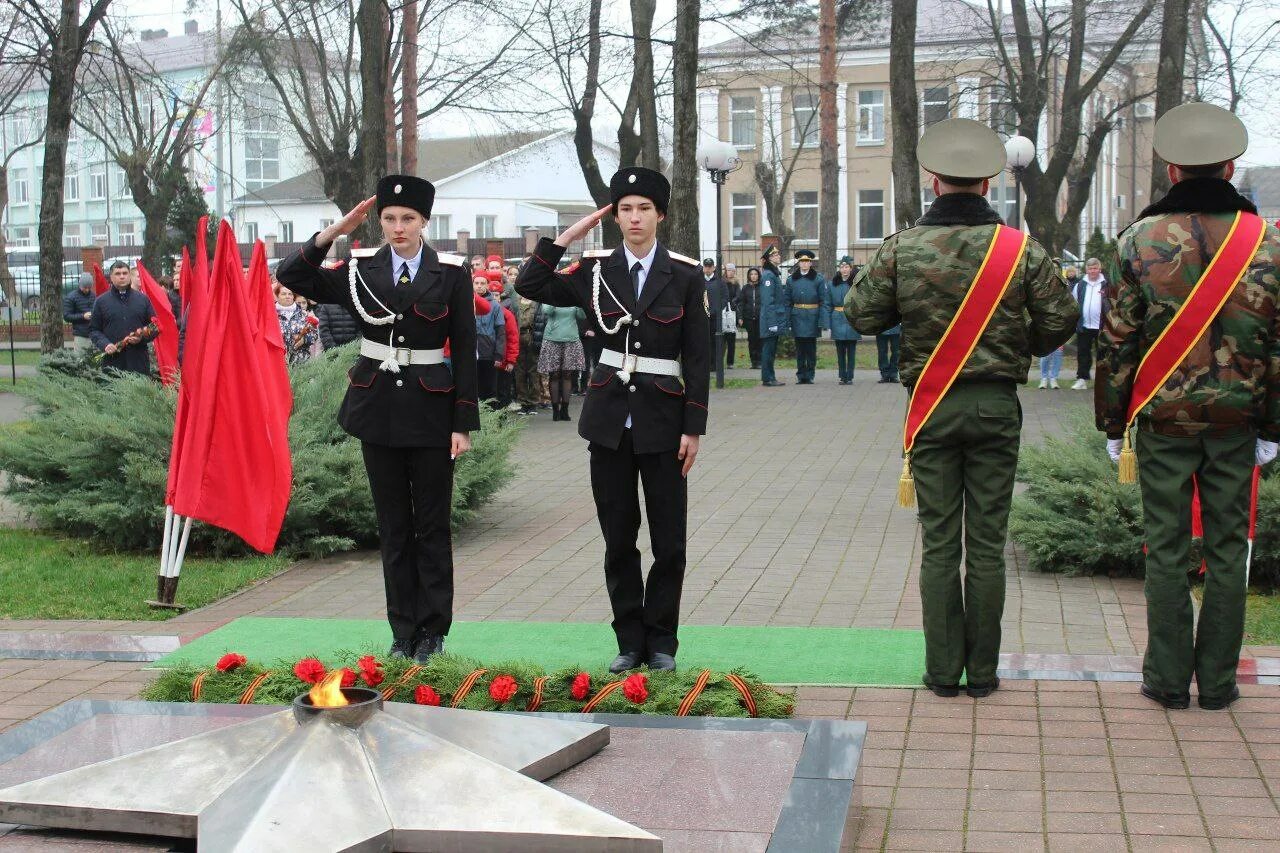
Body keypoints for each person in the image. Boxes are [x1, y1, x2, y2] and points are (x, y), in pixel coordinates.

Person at [846, 118, 1078, 699]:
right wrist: (1012, 346)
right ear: (989, 182)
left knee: (941, 543)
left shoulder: (903, 248)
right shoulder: (1020, 250)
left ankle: (943, 673)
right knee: (989, 544)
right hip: (996, 406)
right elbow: (1060, 322)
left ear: (933, 181)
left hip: (932, 409)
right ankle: (984, 674)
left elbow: (860, 315)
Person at [1095, 102, 1280, 711]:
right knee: (1231, 549)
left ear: (1172, 171)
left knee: (1166, 547)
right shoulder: (1270, 243)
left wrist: (1113, 423)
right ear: (1230, 167)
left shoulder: (1138, 240)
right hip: (1239, 420)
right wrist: (1275, 426)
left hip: (1164, 420)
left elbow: (1117, 339)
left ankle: (1168, 681)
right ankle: (1219, 685)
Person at [274, 174, 479, 665]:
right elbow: (294, 276)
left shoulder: (450, 272)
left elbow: (467, 348)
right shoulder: (359, 269)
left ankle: (433, 630)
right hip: (378, 409)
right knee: (393, 526)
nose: (398, 227)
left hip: (431, 412)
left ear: (424, 222)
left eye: (408, 219)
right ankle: (401, 629)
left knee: (431, 526)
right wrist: (332, 233)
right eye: (389, 218)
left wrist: (463, 423)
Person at [515, 166, 709, 673]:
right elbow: (530, 282)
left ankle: (662, 641)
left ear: (660, 215)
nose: (635, 217)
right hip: (607, 423)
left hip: (665, 422)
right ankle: (629, 640)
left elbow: (698, 356)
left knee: (669, 540)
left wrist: (694, 427)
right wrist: (566, 238)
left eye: (644, 208)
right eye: (625, 209)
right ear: (614, 217)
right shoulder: (594, 271)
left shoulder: (685, 275)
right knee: (618, 537)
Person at [89, 260, 159, 375]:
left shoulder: (142, 299)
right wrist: (105, 344)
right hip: (113, 363)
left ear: (129, 276)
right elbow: (94, 330)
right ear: (111, 277)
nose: (122, 276)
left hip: (138, 362)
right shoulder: (101, 302)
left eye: (125, 273)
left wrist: (141, 338)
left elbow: (154, 326)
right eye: (117, 273)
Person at [787, 249, 831, 384]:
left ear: (811, 263)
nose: (804, 264)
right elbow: (787, 301)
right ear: (798, 263)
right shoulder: (791, 280)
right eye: (802, 261)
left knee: (811, 349)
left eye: (807, 261)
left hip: (812, 317)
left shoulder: (818, 279)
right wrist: (788, 321)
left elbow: (824, 301)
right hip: (797, 316)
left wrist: (823, 321)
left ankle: (810, 374)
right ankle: (801, 375)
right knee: (800, 349)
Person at [538, 303, 587, 421]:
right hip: (552, 339)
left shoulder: (571, 295)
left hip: (571, 339)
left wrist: (578, 302)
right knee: (554, 375)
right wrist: (555, 299)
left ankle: (565, 409)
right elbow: (547, 311)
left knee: (567, 375)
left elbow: (582, 315)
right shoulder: (551, 294)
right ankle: (555, 410)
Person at [1072, 257, 1108, 390]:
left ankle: (1102, 381)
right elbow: (1074, 304)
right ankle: (1082, 379)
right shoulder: (1080, 285)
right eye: (1090, 268)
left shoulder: (1106, 285)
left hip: (1102, 327)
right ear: (1086, 269)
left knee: (1103, 355)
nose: (1093, 271)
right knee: (1083, 354)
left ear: (1100, 269)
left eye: (1095, 268)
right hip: (1084, 326)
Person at [472, 272, 505, 403]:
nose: (479, 286)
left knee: (489, 389)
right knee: (474, 388)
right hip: (471, 351)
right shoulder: (466, 301)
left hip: (488, 352)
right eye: (476, 283)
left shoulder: (495, 305)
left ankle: (491, 420)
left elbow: (500, 331)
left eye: (482, 283)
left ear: (487, 285)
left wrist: (498, 354)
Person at [759, 246, 789, 386]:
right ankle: (768, 378)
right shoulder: (768, 275)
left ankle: (770, 377)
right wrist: (772, 323)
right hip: (770, 320)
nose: (778, 256)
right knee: (768, 350)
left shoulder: (773, 273)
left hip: (773, 318)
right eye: (775, 254)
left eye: (777, 253)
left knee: (771, 350)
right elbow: (768, 301)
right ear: (769, 258)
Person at [828, 256, 860, 385]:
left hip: (851, 318)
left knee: (851, 350)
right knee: (840, 350)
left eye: (847, 267)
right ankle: (842, 376)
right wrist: (828, 322)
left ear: (851, 269)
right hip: (837, 318)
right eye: (842, 267)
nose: (844, 269)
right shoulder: (832, 284)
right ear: (839, 269)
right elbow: (828, 303)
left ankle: (850, 376)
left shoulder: (855, 284)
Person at [514, 293, 545, 415]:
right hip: (518, 337)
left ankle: (533, 402)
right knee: (519, 372)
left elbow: (541, 322)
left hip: (532, 338)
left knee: (533, 371)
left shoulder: (536, 303)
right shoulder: (515, 302)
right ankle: (522, 401)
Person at [276, 283, 317, 366]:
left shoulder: (303, 314)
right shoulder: (271, 315)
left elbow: (315, 334)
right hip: (279, 362)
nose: (287, 296)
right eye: (283, 294)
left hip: (301, 361)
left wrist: (304, 340)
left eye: (290, 294)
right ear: (277, 296)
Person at [701, 258, 729, 372]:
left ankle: (715, 364)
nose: (708, 268)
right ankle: (706, 364)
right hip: (702, 316)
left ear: (713, 268)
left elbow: (725, 297)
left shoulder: (720, 281)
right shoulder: (699, 281)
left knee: (716, 341)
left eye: (710, 266)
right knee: (704, 341)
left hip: (715, 317)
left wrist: (717, 309)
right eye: (706, 266)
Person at [63, 272, 96, 352]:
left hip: (94, 333)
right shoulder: (71, 297)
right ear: (80, 285)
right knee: (80, 360)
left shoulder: (94, 296)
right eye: (85, 287)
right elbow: (66, 316)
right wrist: (83, 316)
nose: (87, 290)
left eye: (89, 287)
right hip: (80, 335)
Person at [739, 267, 763, 369]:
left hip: (760, 317)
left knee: (760, 340)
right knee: (752, 340)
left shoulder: (762, 287)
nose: (753, 276)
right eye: (751, 274)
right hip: (749, 318)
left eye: (755, 274)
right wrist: (740, 317)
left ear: (758, 275)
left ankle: (760, 361)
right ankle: (754, 362)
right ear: (749, 276)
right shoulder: (745, 288)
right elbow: (741, 303)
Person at [721, 263, 740, 368]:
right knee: (721, 339)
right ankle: (719, 361)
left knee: (731, 340)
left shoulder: (736, 283)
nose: (731, 272)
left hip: (732, 313)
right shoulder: (721, 282)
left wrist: (733, 302)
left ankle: (730, 362)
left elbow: (738, 296)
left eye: (732, 270)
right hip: (722, 312)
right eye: (729, 270)